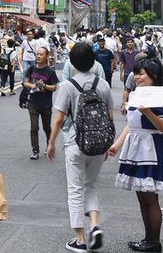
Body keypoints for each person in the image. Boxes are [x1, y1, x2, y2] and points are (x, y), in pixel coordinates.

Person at [46, 42, 115, 252]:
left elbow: (59, 119)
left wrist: (51, 143)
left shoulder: (68, 86)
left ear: (72, 63)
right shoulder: (102, 84)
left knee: (75, 190)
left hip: (76, 143)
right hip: (99, 143)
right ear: (93, 61)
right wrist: (106, 144)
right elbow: (110, 118)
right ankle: (94, 224)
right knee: (90, 186)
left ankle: (80, 239)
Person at [108, 59, 163, 252]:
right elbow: (132, 124)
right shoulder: (134, 94)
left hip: (152, 148)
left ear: (154, 76)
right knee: (142, 196)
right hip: (136, 147)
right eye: (136, 73)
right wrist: (117, 145)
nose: (137, 77)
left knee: (150, 198)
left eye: (142, 74)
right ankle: (148, 239)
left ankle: (154, 242)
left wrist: (148, 112)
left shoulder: (162, 98)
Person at [22, 46, 58, 159]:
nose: (38, 56)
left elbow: (54, 87)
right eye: (37, 54)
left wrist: (44, 86)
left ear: (47, 56)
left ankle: (49, 145)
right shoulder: (31, 69)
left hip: (46, 103)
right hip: (33, 102)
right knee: (34, 127)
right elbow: (25, 82)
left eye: (41, 54)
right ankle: (35, 150)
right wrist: (33, 85)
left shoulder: (50, 72)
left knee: (47, 127)